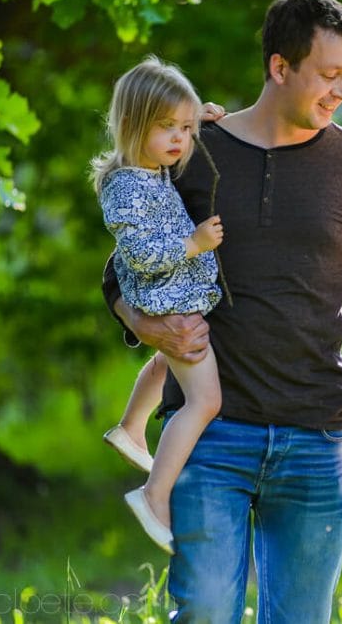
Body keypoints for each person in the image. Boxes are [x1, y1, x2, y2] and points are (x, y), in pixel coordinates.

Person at [101, 0, 342, 624]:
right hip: (211, 432)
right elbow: (124, 262)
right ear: (279, 66)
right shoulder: (194, 151)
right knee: (206, 612)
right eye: (328, 74)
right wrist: (146, 324)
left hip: (317, 433)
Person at [92, 56, 226, 555]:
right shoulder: (127, 185)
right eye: (167, 127)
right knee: (204, 400)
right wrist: (193, 243)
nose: (179, 140)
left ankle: (131, 427)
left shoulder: (150, 169)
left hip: (176, 296)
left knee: (163, 362)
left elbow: (180, 142)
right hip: (171, 302)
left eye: (185, 129)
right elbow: (143, 256)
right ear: (131, 126)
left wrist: (202, 123)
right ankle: (155, 495)